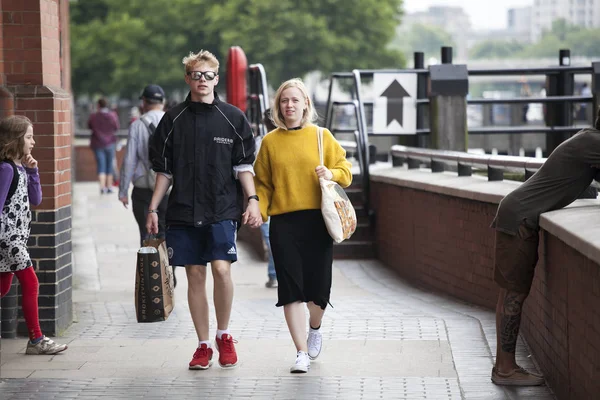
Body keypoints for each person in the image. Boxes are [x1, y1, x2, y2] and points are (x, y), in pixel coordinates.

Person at [146, 50, 261, 371]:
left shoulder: (233, 118)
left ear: (216, 78)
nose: (202, 81)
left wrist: (252, 200)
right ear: (187, 78)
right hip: (182, 210)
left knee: (222, 269)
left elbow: (243, 166)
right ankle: (202, 345)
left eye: (208, 75)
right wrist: (153, 208)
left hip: (222, 207)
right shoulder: (173, 119)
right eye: (196, 75)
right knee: (195, 275)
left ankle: (224, 335)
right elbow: (164, 172)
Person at [490, 106, 600, 386]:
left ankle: (504, 366)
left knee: (509, 293)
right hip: (521, 219)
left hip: (517, 213)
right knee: (514, 294)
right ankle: (504, 369)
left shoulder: (587, 140)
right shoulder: (593, 143)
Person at [253, 78, 352, 373]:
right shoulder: (270, 142)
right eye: (284, 101)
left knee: (319, 292)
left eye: (295, 100)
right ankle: (300, 353)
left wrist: (331, 172)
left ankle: (315, 327)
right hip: (283, 223)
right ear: (278, 107)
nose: (289, 105)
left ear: (305, 104)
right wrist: (258, 211)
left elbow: (346, 172)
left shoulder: (321, 136)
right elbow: (262, 184)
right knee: (290, 289)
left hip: (318, 221)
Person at [0, 115, 68, 355]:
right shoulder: (6, 169)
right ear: (16, 139)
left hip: (16, 238)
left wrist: (33, 171)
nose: (33, 142)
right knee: (31, 282)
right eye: (29, 137)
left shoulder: (20, 168)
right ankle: (36, 340)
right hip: (8, 239)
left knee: (3, 288)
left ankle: (36, 340)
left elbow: (36, 200)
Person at [119, 84, 169, 246]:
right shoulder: (174, 122)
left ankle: (149, 269)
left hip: (143, 189)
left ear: (144, 102)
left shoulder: (137, 125)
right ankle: (169, 270)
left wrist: (123, 190)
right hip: (169, 190)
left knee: (147, 234)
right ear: (163, 102)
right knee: (168, 234)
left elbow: (129, 160)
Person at [88, 98, 119, 194]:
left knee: (101, 165)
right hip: (110, 143)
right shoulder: (112, 115)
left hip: (98, 143)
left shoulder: (94, 116)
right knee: (109, 164)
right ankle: (109, 186)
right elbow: (116, 127)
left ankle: (102, 187)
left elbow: (89, 126)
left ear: (98, 105)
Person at [260, 109, 277, 289]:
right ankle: (273, 274)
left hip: (278, 202)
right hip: (265, 201)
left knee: (272, 240)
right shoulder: (262, 142)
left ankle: (275, 274)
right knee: (272, 239)